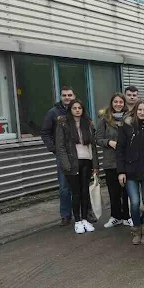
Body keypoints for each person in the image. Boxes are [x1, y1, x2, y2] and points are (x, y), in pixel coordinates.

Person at [117, 99, 144, 245]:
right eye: (139, 110)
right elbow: (120, 150)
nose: (142, 112)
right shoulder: (126, 127)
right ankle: (136, 229)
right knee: (134, 202)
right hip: (130, 169)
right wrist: (121, 171)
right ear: (135, 110)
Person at [55, 99, 99, 234]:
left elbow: (93, 146)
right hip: (72, 163)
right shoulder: (63, 124)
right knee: (76, 193)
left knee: (85, 192)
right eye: (74, 108)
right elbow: (60, 146)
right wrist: (66, 164)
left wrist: (95, 165)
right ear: (70, 110)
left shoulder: (88, 123)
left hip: (87, 161)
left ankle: (85, 219)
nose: (77, 110)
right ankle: (78, 221)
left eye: (79, 108)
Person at [41, 86, 75, 226]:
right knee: (64, 187)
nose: (67, 97)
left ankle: (83, 213)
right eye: (64, 95)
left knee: (80, 186)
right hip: (62, 155)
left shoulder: (78, 110)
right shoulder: (53, 112)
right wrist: (54, 149)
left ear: (74, 96)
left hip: (79, 154)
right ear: (61, 96)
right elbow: (45, 132)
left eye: (69, 95)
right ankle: (66, 215)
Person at [96, 93, 131, 228]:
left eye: (121, 102)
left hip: (126, 160)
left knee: (126, 191)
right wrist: (108, 142)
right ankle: (115, 216)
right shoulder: (104, 119)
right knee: (113, 191)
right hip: (110, 160)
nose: (118, 104)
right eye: (115, 102)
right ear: (112, 103)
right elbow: (97, 139)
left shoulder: (129, 118)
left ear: (124, 104)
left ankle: (127, 216)